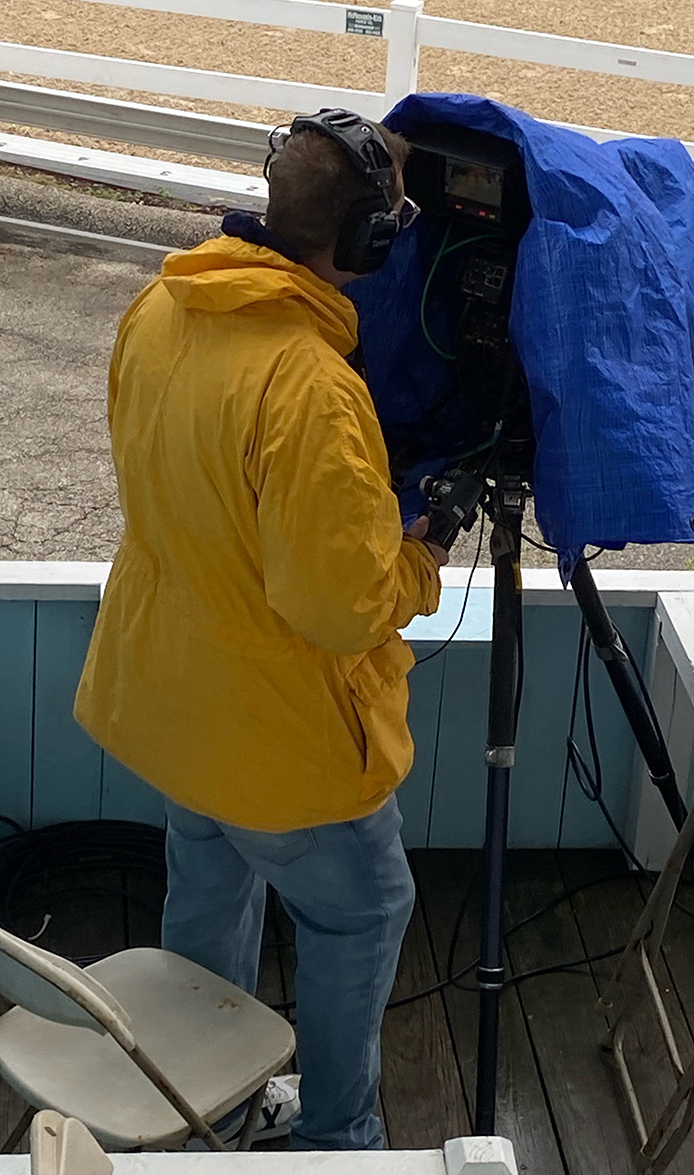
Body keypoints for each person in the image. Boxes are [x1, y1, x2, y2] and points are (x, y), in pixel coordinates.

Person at [74, 109, 447, 1152]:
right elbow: (333, 608)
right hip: (281, 742)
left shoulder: (161, 303)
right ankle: (336, 1137)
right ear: (372, 240)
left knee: (207, 892)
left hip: (166, 701)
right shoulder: (313, 388)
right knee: (360, 916)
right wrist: (415, 554)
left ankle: (214, 1111)